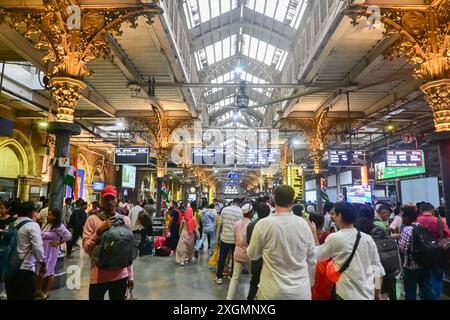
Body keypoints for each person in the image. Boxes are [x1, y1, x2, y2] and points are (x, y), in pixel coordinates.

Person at [247, 185, 316, 300]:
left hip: (272, 290)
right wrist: (310, 282)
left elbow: (252, 255)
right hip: (300, 290)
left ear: (274, 199)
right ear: (292, 201)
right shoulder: (303, 224)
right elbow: (311, 258)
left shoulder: (263, 224)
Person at [312, 202, 385, 300]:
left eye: (334, 214)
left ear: (340, 216)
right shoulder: (367, 238)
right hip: (368, 294)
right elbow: (377, 269)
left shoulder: (335, 237)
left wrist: (314, 234)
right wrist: (377, 293)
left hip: (346, 293)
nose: (332, 217)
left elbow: (318, 255)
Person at [82, 186, 134, 300]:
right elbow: (86, 248)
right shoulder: (92, 220)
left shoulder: (125, 220)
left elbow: (127, 251)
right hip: (99, 276)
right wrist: (99, 232)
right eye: (106, 199)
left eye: (112, 199)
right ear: (101, 201)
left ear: (116, 200)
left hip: (121, 276)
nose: (109, 202)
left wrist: (130, 276)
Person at [4, 202, 46, 300]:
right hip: (25, 268)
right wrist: (42, 263)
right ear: (31, 212)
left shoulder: (11, 224)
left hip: (10, 268)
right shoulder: (32, 225)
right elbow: (38, 247)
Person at [398, 204, 435, 300]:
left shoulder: (406, 230)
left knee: (410, 292)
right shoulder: (421, 227)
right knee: (428, 290)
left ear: (406, 217)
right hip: (425, 264)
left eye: (402, 217)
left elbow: (403, 249)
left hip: (411, 267)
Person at [35, 208, 72, 300]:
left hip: (51, 251)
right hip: (43, 250)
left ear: (55, 217)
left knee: (49, 271)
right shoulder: (47, 224)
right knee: (39, 270)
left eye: (50, 215)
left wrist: (58, 243)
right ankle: (38, 290)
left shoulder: (59, 226)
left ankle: (46, 291)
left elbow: (68, 236)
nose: (47, 216)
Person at [416, 202, 449, 299]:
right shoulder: (439, 221)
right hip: (437, 253)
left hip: (421, 254)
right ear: (432, 210)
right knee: (437, 278)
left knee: (423, 279)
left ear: (421, 211)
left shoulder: (417, 221)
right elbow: (448, 235)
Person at [226, 203, 254, 300]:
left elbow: (234, 238)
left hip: (237, 252)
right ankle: (255, 296)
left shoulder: (237, 223)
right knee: (252, 277)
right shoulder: (251, 224)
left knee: (234, 278)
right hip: (248, 254)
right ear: (250, 212)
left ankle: (229, 298)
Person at [215, 198, 243, 285]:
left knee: (222, 258)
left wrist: (217, 237)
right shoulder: (241, 212)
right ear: (239, 203)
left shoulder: (225, 210)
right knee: (235, 259)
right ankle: (232, 276)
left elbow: (220, 224)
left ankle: (219, 277)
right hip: (235, 239)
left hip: (225, 238)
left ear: (232, 203)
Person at [246, 203, 271, 300]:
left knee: (254, 281)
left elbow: (248, 242)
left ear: (256, 212)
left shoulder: (251, 225)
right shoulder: (271, 225)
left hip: (256, 258)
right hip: (269, 259)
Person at [309, 212, 333, 300]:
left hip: (310, 271)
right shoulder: (328, 236)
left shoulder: (306, 235)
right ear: (323, 222)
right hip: (325, 273)